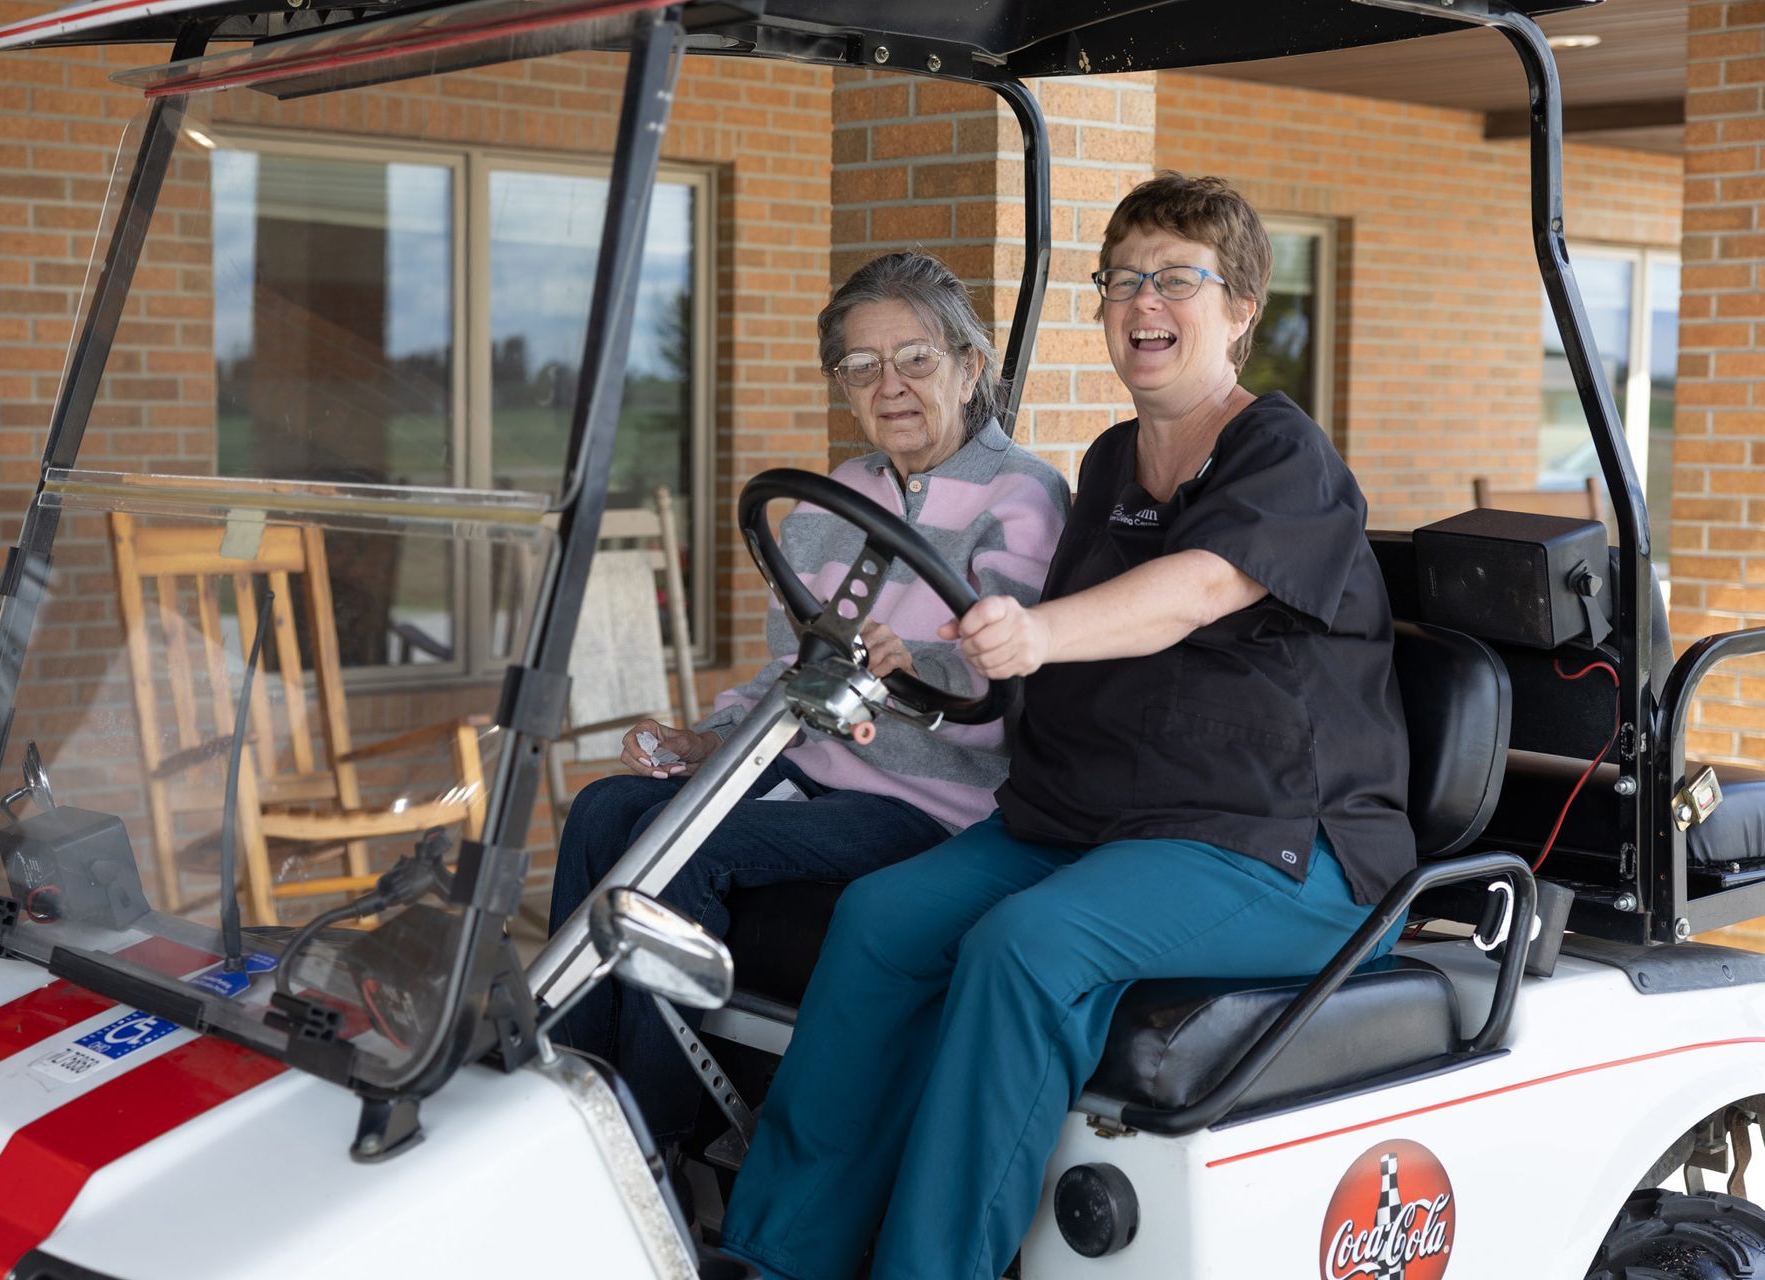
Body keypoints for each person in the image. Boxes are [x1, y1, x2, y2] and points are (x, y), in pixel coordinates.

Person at [721, 173, 1415, 1280]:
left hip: (1280, 843)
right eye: (1122, 279)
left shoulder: (1284, 455)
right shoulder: (1107, 460)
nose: (1143, 300)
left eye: (1176, 277)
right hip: (1099, 820)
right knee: (883, 918)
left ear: (1240, 309)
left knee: (1028, 948)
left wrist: (1036, 635)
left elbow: (1195, 590)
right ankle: (778, 1250)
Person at [548, 251, 1070, 1145]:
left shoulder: (1022, 497)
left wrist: (915, 672)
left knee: (690, 851)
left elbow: (1010, 688)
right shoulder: (830, 502)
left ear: (970, 366)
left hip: (928, 804)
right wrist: (710, 739)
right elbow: (786, 676)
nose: (890, 386)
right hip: (807, 768)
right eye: (860, 367)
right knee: (605, 808)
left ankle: (645, 1138)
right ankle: (563, 1093)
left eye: (916, 358)